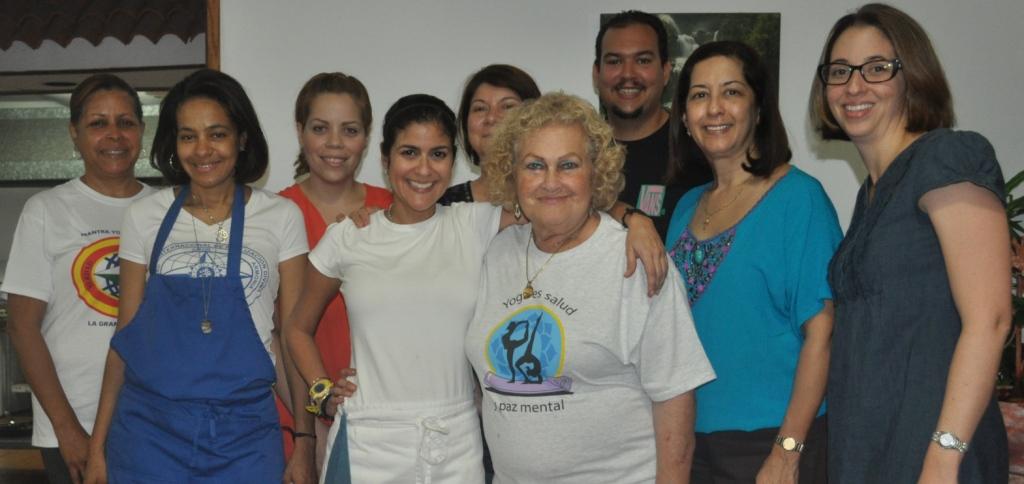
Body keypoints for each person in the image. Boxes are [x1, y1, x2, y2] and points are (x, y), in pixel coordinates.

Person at [466, 91, 715, 482]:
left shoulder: (634, 262)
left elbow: (675, 399)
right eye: (534, 165)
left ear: (595, 173)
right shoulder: (496, 252)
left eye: (568, 165)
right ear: (513, 175)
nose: (551, 182)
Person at [810, 4, 1011, 483]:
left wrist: (944, 455)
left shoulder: (947, 156)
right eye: (840, 71)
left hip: (933, 453)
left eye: (877, 68)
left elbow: (991, 319)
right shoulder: (870, 195)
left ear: (912, 77)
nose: (854, 86)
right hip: (867, 449)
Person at [83, 69, 308, 483]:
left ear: (242, 139)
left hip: (246, 435)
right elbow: (125, 337)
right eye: (188, 136)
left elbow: (293, 339)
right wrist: (97, 447)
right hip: (149, 434)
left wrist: (306, 440)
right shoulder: (144, 217)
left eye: (217, 134)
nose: (202, 150)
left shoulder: (281, 217)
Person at [665, 41, 841, 484]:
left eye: (732, 92)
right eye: (699, 95)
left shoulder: (799, 198)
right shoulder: (685, 208)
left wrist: (787, 451)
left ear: (758, 109)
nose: (714, 108)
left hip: (772, 441)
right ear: (684, 117)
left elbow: (823, 334)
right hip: (690, 440)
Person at [2, 74, 153, 484]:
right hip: (73, 425)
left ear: (141, 130)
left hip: (153, 421)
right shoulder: (47, 209)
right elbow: (22, 327)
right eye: (98, 123)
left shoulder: (165, 208)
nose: (114, 135)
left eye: (125, 122)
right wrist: (67, 429)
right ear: (74, 133)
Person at [274, 72, 392, 480]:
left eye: (350, 130)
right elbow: (272, 337)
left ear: (366, 137)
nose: (335, 143)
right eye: (320, 128)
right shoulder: (273, 216)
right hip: (298, 421)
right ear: (300, 132)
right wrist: (311, 430)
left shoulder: (394, 208)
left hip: (385, 421)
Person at [594, 10, 713, 240]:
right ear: (596, 73)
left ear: (666, 71)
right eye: (615, 61)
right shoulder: (577, 153)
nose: (628, 74)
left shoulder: (700, 151)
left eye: (643, 60)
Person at [440, 64, 541, 205]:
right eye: (480, 108)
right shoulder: (441, 206)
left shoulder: (554, 198)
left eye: (507, 106)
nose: (491, 118)